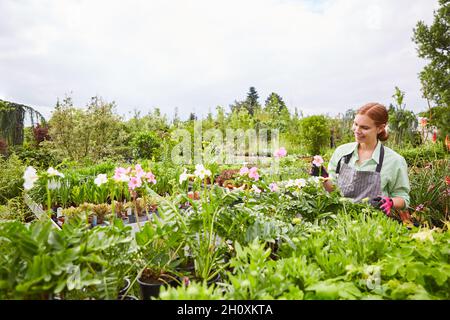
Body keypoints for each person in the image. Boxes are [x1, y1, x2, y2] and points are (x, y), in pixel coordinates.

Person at [310, 102, 410, 217]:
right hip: (340, 220)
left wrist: (391, 202)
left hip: (374, 225)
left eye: (364, 127)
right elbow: (334, 191)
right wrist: (321, 176)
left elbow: (403, 198)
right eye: (355, 124)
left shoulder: (394, 161)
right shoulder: (342, 152)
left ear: (380, 128)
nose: (357, 130)